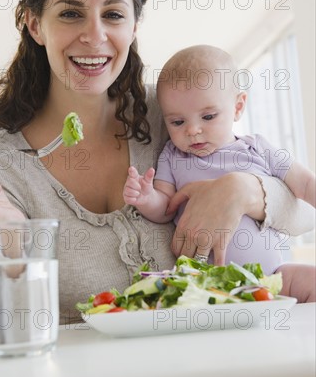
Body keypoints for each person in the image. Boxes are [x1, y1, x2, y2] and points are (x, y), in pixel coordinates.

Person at [0, 0, 314, 324]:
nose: (95, 35)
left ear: (134, 26)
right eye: (71, 13)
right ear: (35, 23)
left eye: (113, 14)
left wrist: (243, 189)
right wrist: (7, 231)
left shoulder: (173, 112)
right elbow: (20, 321)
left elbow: (301, 217)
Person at [123, 45, 316, 297]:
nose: (192, 130)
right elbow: (165, 208)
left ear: (237, 107)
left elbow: (304, 184)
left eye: (208, 116)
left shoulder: (257, 147)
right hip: (208, 283)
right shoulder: (173, 155)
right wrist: (146, 198)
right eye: (178, 122)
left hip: (273, 277)